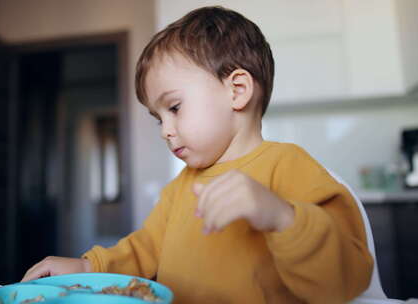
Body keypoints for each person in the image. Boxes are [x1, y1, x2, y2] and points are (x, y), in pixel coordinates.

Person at [21, 6, 373, 303]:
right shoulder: (180, 188)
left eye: (174, 107)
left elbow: (346, 280)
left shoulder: (289, 165)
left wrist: (281, 217)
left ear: (237, 90)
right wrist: (87, 268)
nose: (165, 130)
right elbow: (144, 250)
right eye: (159, 118)